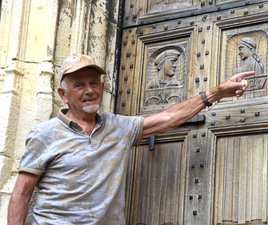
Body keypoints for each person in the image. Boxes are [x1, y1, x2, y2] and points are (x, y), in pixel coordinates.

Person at [7, 54, 254, 225]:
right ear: (63, 94)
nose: (90, 90)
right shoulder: (44, 135)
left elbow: (167, 118)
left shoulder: (118, 126)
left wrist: (215, 93)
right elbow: (21, 194)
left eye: (94, 83)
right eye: (79, 85)